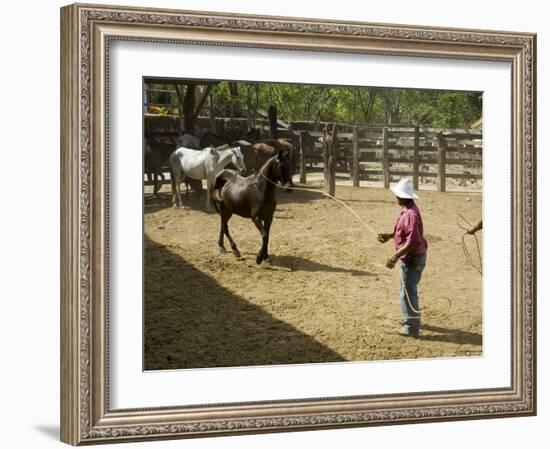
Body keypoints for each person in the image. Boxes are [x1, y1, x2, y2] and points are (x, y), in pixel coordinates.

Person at [378, 178, 428, 338]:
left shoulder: (410, 214)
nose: (396, 198)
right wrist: (390, 236)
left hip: (412, 258)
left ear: (402, 196)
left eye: (397, 195)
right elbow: (406, 234)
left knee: (407, 292)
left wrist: (395, 255)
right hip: (412, 257)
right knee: (406, 290)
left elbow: (413, 241)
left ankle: (411, 326)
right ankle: (411, 320)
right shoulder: (407, 210)